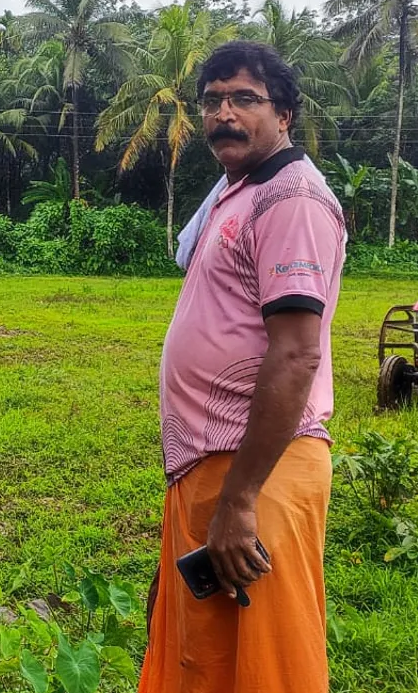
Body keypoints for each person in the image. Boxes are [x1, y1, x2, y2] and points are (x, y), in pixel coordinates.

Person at [139, 41, 345, 693]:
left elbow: (297, 352)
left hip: (258, 472)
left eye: (244, 99)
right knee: (206, 658)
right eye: (212, 101)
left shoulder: (291, 198)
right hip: (212, 466)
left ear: (284, 114)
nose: (224, 114)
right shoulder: (237, 193)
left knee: (265, 669)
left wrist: (240, 500)